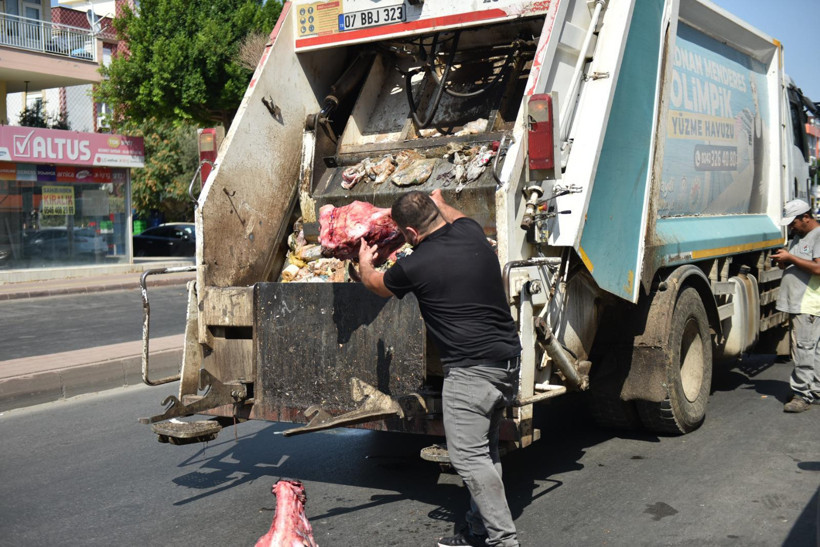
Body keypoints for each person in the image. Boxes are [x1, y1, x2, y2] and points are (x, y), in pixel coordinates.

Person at [358, 189, 522, 547]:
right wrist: (439, 198)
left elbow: (375, 285)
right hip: (507, 362)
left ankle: (503, 541)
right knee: (485, 452)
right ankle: (479, 528)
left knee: (468, 458)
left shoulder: (415, 265)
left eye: (404, 234)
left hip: (471, 373)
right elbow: (454, 214)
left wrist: (364, 261)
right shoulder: (471, 231)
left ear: (412, 235)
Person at [772, 199, 820, 412]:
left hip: (807, 302)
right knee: (812, 350)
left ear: (806, 218)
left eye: (794, 222)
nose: (791, 226)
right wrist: (786, 261)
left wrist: (791, 256)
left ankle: (802, 394)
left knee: (803, 349)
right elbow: (801, 262)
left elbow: (818, 269)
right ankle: (815, 390)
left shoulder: (818, 236)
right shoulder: (799, 236)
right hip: (801, 302)